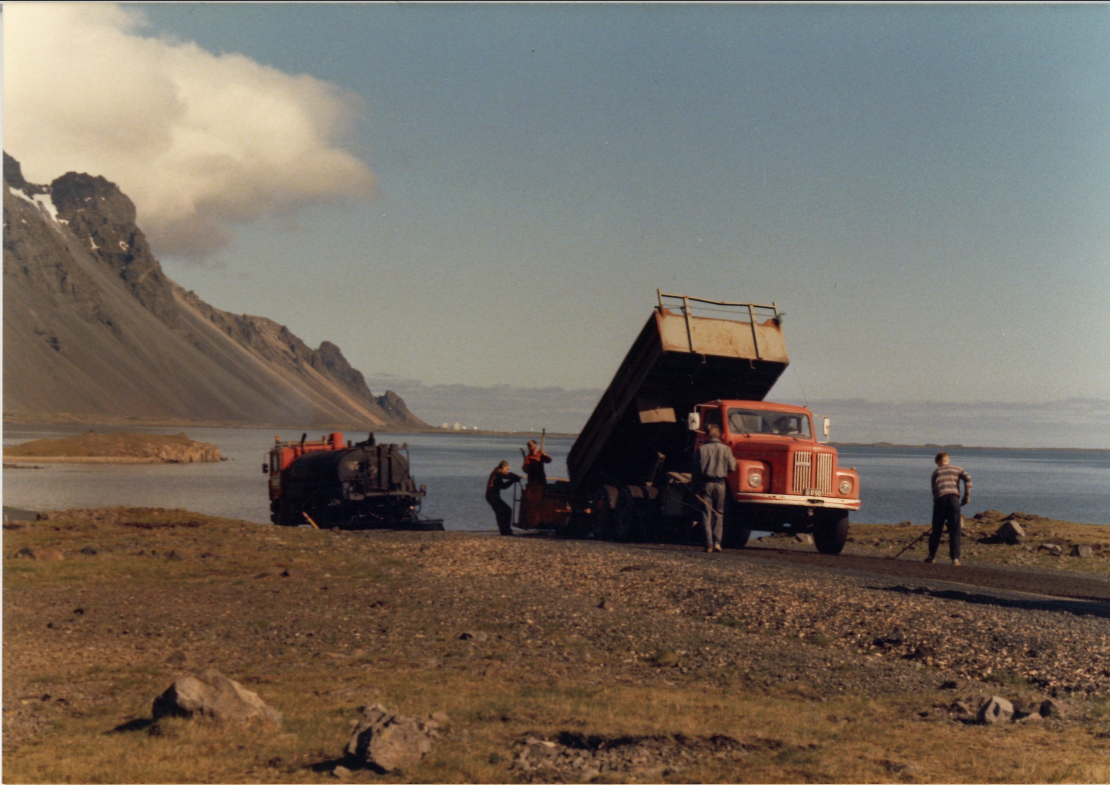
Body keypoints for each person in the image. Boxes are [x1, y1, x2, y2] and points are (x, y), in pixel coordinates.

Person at [695, 423, 737, 553]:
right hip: (720, 484)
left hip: (706, 484)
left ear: (707, 434)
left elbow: (696, 471)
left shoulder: (701, 450)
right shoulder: (726, 449)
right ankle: (717, 543)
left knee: (706, 514)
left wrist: (693, 488)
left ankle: (708, 545)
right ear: (719, 434)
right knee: (719, 514)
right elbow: (732, 467)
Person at [927, 452, 972, 566]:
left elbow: (934, 491)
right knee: (955, 529)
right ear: (947, 460)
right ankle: (955, 558)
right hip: (953, 500)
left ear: (938, 462)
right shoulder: (957, 469)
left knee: (937, 530)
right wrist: (966, 495)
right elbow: (968, 479)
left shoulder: (936, 472)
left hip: (940, 501)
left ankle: (932, 556)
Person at [520, 439, 553, 528]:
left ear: (536, 447)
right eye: (530, 448)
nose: (532, 450)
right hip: (532, 483)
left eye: (533, 448)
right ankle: (533, 522)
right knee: (533, 503)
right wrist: (526, 466)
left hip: (541, 482)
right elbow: (525, 470)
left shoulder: (540, 455)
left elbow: (549, 460)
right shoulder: (528, 457)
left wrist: (544, 454)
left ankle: (541, 521)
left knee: (540, 503)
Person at [486, 460, 521, 536]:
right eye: (507, 469)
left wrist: (512, 481)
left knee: (504, 511)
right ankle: (505, 531)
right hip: (492, 496)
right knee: (504, 511)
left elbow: (503, 486)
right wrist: (515, 477)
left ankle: (505, 530)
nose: (507, 470)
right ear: (503, 467)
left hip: (493, 496)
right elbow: (506, 474)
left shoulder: (497, 474)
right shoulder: (498, 471)